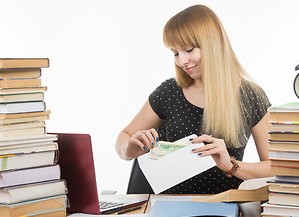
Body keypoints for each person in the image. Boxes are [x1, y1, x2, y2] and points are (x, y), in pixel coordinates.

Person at [115, 4, 273, 194]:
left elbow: (274, 167)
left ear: (213, 44)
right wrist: (130, 148)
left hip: (223, 210)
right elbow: (123, 139)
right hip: (166, 210)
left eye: (188, 50)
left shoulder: (251, 97)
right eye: (175, 53)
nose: (182, 61)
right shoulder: (170, 91)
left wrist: (231, 166)